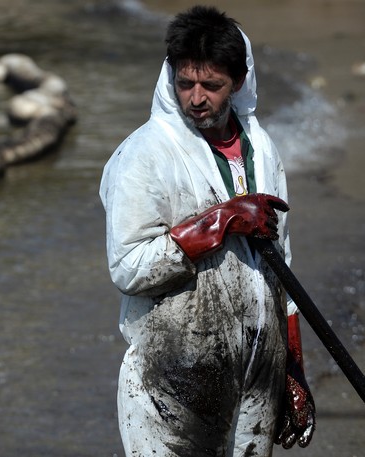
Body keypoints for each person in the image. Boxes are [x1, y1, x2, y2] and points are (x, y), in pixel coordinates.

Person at [99, 6, 316, 456]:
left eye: (211, 86)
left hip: (257, 372)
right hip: (170, 379)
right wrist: (218, 223)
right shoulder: (145, 155)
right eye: (185, 83)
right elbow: (128, 269)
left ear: (237, 82)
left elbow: (284, 271)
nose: (196, 98)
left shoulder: (261, 147)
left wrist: (292, 369)